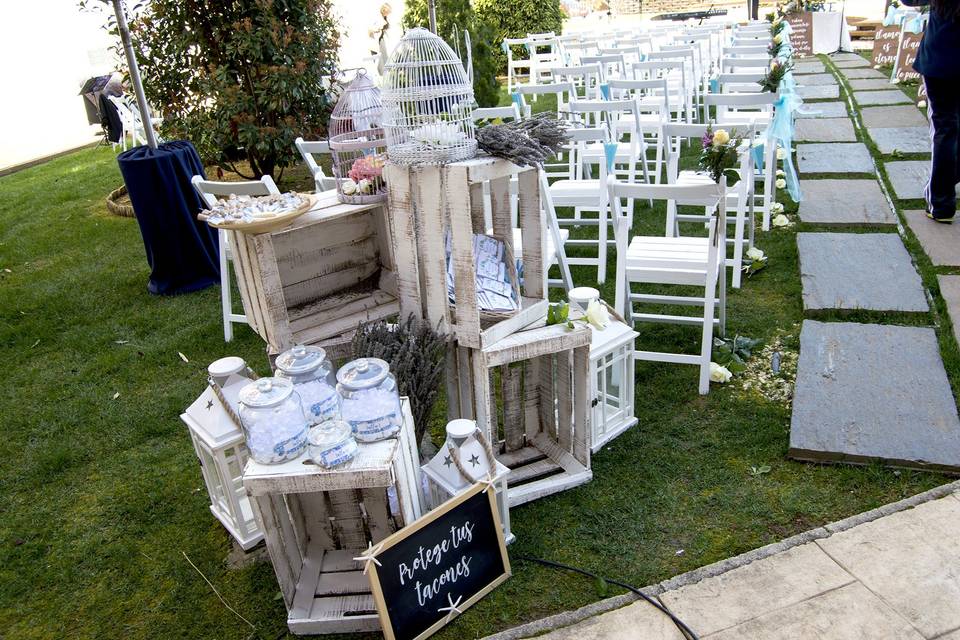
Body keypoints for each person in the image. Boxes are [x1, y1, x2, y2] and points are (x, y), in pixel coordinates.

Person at [901, 0, 960, 223]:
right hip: (942, 56)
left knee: (944, 129)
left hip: (941, 58)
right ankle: (946, 181)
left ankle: (941, 202)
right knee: (951, 128)